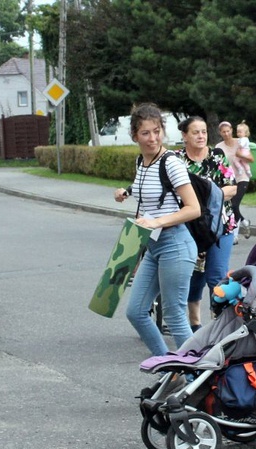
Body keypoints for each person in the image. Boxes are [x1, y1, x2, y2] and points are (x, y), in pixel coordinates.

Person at [113, 103, 200, 356]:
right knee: (136, 312)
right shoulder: (142, 161)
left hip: (175, 244)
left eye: (156, 131)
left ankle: (195, 378)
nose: (152, 138)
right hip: (152, 245)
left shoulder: (171, 163)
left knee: (174, 315)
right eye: (145, 133)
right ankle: (170, 370)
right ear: (134, 136)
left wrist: (156, 222)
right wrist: (125, 193)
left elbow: (193, 209)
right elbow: (147, 191)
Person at [176, 116, 237, 331]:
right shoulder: (176, 161)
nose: (201, 136)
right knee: (195, 277)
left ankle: (220, 326)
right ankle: (195, 324)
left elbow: (232, 187)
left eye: (203, 132)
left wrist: (209, 194)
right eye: (196, 132)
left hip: (221, 226)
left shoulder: (217, 157)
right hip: (191, 228)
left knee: (217, 276)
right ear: (185, 136)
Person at [216, 121, 254, 240]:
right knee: (231, 205)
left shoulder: (241, 142)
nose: (226, 134)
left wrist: (240, 155)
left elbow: (251, 158)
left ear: (232, 130)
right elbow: (218, 163)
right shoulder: (219, 146)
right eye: (223, 132)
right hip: (228, 180)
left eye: (228, 131)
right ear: (220, 133)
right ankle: (244, 222)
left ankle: (234, 235)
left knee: (234, 204)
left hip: (242, 177)